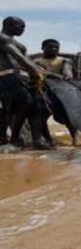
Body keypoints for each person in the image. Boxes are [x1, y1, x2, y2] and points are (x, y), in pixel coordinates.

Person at [0, 16, 50, 149]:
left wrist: (49, 74)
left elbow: (29, 61)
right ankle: (13, 139)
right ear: (10, 24)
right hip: (7, 76)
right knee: (23, 104)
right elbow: (19, 57)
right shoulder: (2, 38)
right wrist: (37, 72)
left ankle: (37, 141)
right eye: (20, 26)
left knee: (36, 108)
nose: (23, 29)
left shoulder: (21, 45)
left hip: (23, 77)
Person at [33, 39, 80, 146]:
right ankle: (48, 139)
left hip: (61, 93)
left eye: (56, 47)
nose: (54, 49)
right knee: (42, 117)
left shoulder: (64, 60)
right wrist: (52, 75)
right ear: (43, 48)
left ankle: (75, 138)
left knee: (68, 117)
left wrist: (67, 74)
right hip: (43, 92)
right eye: (51, 47)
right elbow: (39, 71)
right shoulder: (36, 61)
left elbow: (67, 70)